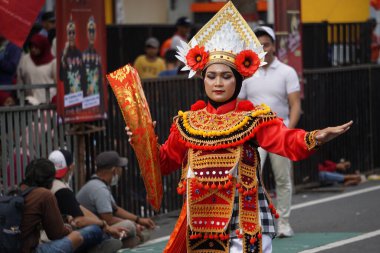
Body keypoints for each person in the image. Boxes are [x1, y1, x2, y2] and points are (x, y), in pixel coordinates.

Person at [125, 2, 352, 252]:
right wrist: (142, 141)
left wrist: (317, 137)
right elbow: (164, 163)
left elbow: (286, 141)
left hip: (245, 218)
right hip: (201, 224)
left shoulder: (253, 118)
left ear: (238, 79)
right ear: (203, 80)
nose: (218, 83)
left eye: (226, 76)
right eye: (212, 76)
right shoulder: (187, 122)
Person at [238, 26, 300, 238]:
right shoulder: (247, 74)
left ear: (273, 46)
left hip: (280, 133)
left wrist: (288, 134)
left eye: (266, 44)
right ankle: (255, 223)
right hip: (254, 136)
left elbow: (295, 106)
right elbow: (238, 104)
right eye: (258, 45)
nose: (262, 48)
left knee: (283, 179)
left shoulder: (287, 72)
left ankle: (284, 223)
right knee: (250, 180)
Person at [48, 149, 125, 253]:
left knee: (99, 229)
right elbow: (79, 221)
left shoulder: (53, 185)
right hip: (55, 241)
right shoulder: (61, 189)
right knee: (95, 230)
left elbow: (79, 207)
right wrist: (103, 225)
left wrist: (103, 224)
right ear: (71, 167)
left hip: (54, 238)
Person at [76, 151, 156, 249]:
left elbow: (115, 209)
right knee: (129, 226)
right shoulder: (99, 189)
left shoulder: (99, 184)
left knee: (136, 238)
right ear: (114, 170)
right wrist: (134, 224)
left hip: (98, 228)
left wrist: (138, 220)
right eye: (120, 168)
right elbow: (108, 219)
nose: (121, 171)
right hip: (93, 231)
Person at [20, 158, 87, 253]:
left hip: (11, 247)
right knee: (80, 235)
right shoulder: (45, 194)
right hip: (29, 250)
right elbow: (56, 234)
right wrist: (68, 229)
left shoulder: (15, 191)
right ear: (50, 180)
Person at [17, 34, 56, 105]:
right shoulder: (25, 59)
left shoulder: (53, 62)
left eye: (36, 47)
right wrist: (20, 97)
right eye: (31, 47)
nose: (33, 49)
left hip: (48, 102)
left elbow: (57, 82)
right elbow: (20, 78)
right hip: (30, 101)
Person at [60, 18, 87, 96]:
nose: (71, 35)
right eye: (69, 33)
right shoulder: (64, 54)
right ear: (67, 35)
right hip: (69, 96)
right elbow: (61, 77)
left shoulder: (79, 54)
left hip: (79, 94)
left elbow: (84, 77)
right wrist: (64, 55)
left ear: (75, 35)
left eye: (73, 33)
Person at [83, 16, 103, 97]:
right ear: (87, 33)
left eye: (93, 31)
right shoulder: (83, 55)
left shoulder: (99, 55)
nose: (91, 34)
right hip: (87, 95)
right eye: (89, 31)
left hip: (97, 95)